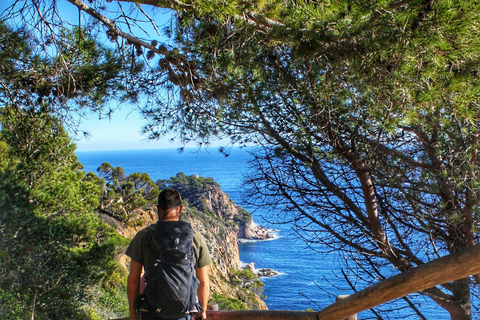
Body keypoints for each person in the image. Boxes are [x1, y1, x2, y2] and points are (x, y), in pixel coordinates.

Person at [126, 189, 212, 320]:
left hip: (152, 312)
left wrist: (133, 314)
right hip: (184, 313)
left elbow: (133, 280)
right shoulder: (195, 238)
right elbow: (204, 282)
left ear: (158, 209)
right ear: (180, 209)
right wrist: (203, 311)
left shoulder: (144, 236)